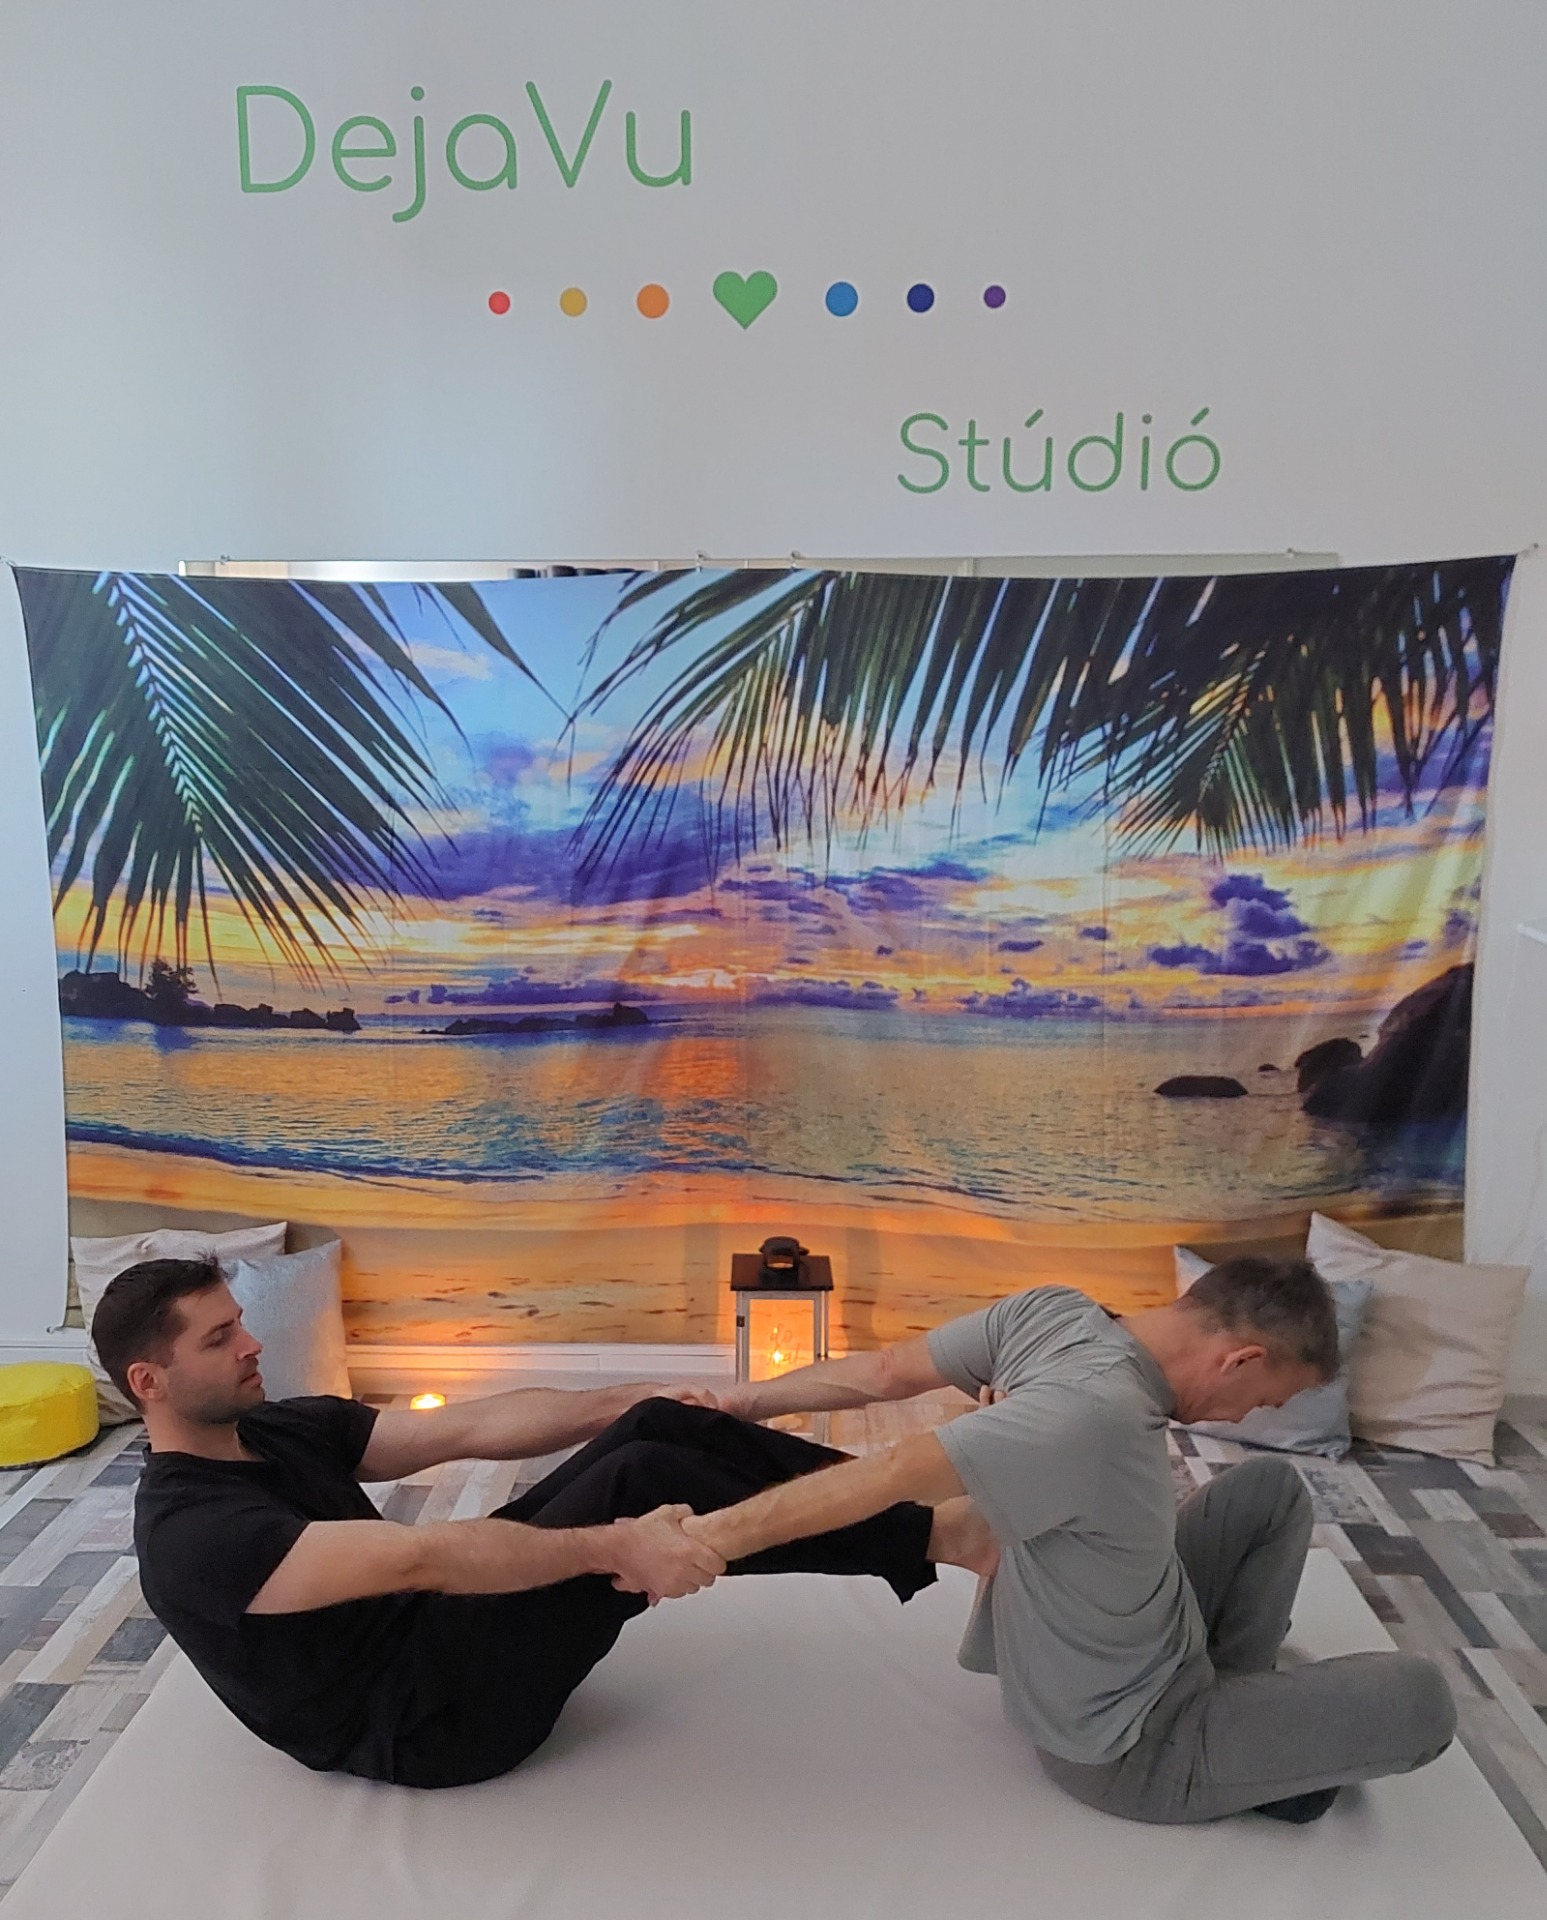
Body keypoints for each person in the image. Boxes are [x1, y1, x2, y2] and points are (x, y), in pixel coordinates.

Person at [95, 1256, 991, 1788]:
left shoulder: (273, 1429)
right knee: (640, 1482)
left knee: (654, 1429)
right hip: (427, 1723)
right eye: (219, 1339)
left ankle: (922, 1516)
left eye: (240, 1324)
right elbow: (420, 1559)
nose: (251, 1344)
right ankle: (943, 1535)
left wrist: (631, 1395)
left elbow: (466, 1429)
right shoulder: (190, 1535)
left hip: (433, 1635)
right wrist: (617, 1546)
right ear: (149, 1382)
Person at [687, 1261, 1457, 1825]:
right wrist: (702, 1539)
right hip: (1132, 1747)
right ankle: (1240, 1754)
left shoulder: (1053, 1311)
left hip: (1148, 1649)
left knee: (1271, 1491)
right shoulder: (1093, 1415)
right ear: (1240, 1360)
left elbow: (888, 1371)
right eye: (1261, 1401)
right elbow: (889, 1475)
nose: (1245, 1418)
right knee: (1421, 1701)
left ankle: (1243, 1714)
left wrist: (740, 1402)